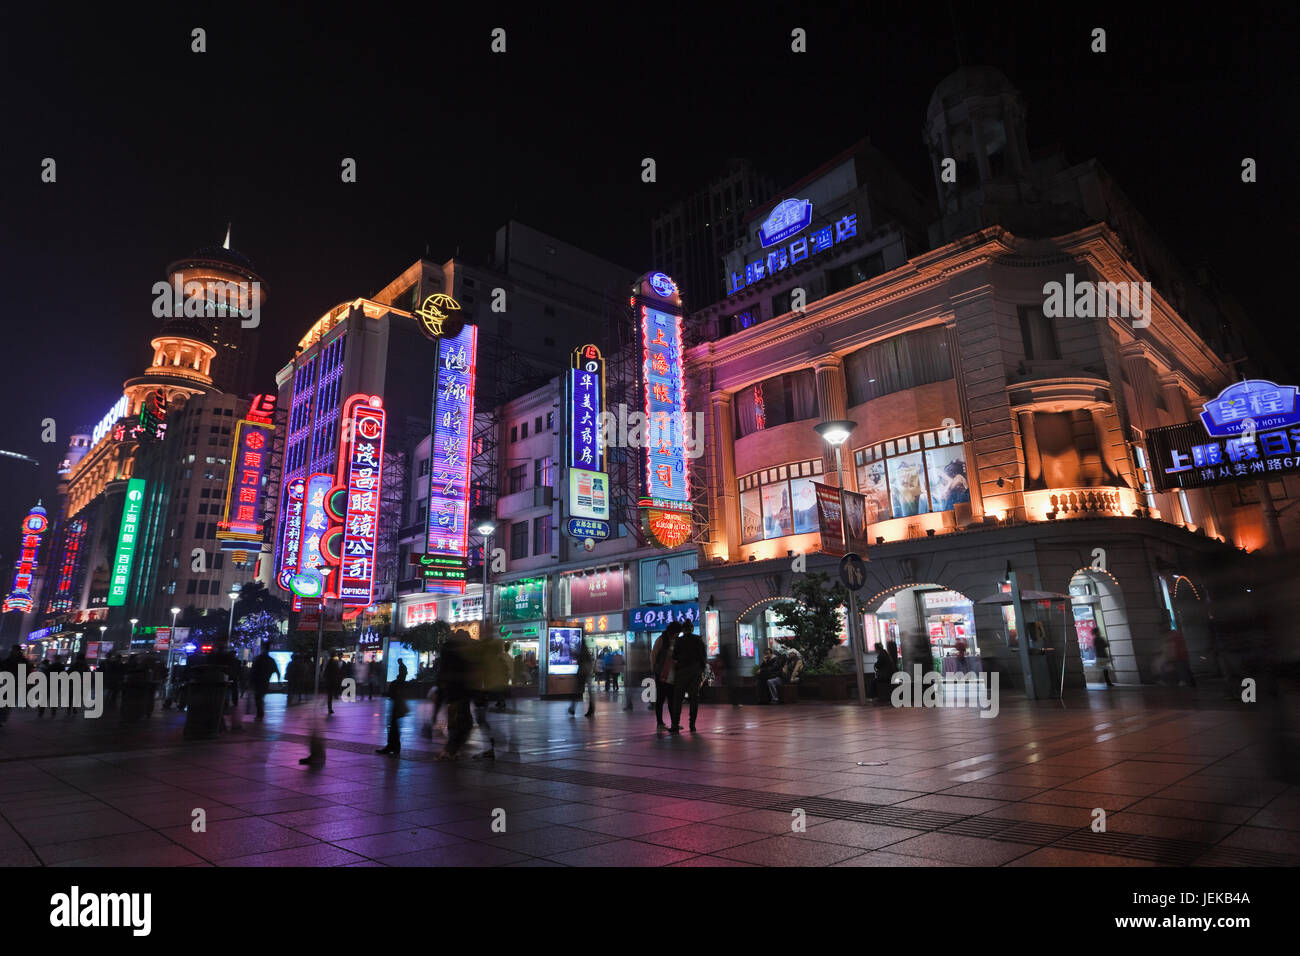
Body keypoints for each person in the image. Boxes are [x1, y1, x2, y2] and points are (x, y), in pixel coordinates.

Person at [436, 630, 477, 760]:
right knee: (463, 720)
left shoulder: (447, 649)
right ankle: (451, 749)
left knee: (456, 719)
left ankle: (452, 748)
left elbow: (442, 669)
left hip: (452, 689)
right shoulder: (459, 651)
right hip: (460, 689)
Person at [669, 622, 707, 732]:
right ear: (692, 629)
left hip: (682, 671)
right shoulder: (698, 640)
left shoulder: (679, 641)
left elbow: (674, 656)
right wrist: (701, 669)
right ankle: (692, 724)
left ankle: (675, 724)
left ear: (683, 630)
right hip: (695, 671)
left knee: (678, 698)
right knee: (694, 698)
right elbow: (703, 656)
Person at [376, 659, 409, 755]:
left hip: (397, 705)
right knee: (394, 725)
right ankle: (394, 746)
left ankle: (392, 746)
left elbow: (394, 693)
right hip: (398, 704)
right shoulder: (399, 681)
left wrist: (388, 693)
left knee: (393, 725)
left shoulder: (397, 683)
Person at [650, 623, 680, 727]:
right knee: (661, 699)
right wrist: (655, 669)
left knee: (672, 699)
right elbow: (653, 655)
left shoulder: (676, 640)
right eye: (677, 632)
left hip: (672, 674)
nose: (678, 634)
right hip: (662, 673)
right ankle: (660, 722)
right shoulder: (661, 640)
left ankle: (674, 723)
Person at [250, 641, 280, 721]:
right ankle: (260, 713)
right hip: (265, 681)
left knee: (258, 697)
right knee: (260, 697)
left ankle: (260, 713)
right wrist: (279, 681)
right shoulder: (270, 660)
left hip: (258, 681)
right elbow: (277, 671)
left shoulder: (258, 659)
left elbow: (253, 671)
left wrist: (250, 680)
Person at [568, 639, 595, 717]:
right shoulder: (587, 653)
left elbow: (579, 660)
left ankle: (572, 708)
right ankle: (591, 708)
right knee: (589, 692)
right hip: (587, 673)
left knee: (577, 690)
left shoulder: (581, 652)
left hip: (582, 672)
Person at [719, 641, 741, 707]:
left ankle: (734, 702)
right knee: (733, 688)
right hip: (730, 673)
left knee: (731, 688)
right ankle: (735, 702)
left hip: (727, 673)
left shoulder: (723, 655)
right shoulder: (728, 656)